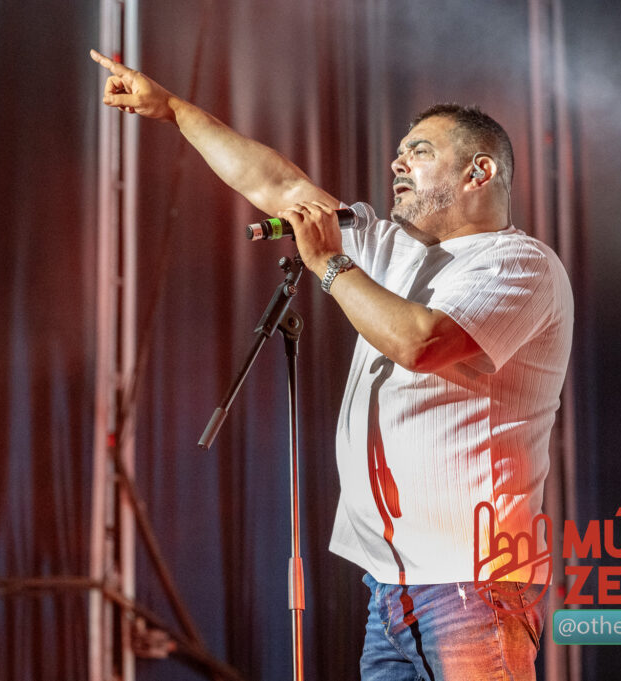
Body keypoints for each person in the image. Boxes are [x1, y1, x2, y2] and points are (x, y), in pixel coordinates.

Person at [91, 49, 573, 681]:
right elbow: (278, 186)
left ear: (480, 171)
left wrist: (331, 265)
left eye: (420, 151)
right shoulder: (390, 245)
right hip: (390, 586)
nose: (397, 163)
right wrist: (175, 110)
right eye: (400, 151)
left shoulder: (519, 265)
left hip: (470, 585)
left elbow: (419, 342)